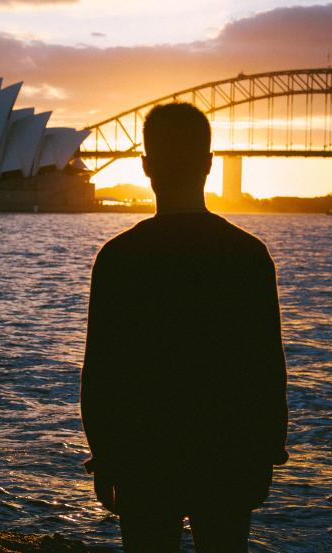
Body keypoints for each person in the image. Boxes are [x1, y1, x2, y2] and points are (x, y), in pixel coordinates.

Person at [80, 103, 288, 552]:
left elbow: (101, 373)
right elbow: (267, 369)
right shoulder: (248, 256)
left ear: (147, 167)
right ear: (210, 165)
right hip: (228, 455)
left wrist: (106, 458)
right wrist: (268, 454)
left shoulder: (118, 258)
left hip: (143, 457)